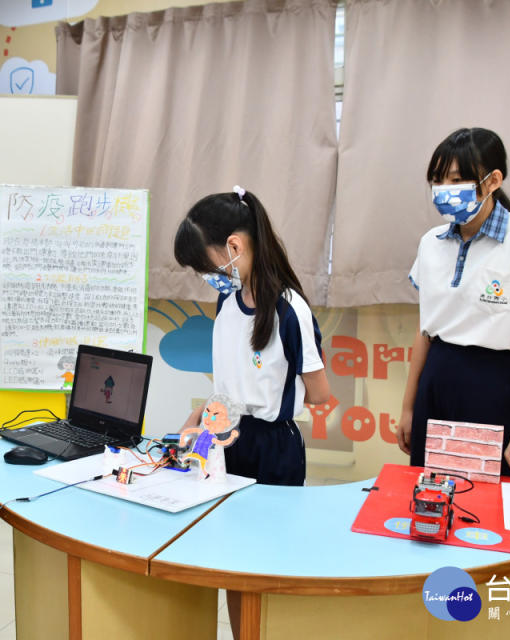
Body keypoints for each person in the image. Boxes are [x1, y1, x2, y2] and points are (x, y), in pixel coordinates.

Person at [174, 186, 330, 639]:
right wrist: (196, 425)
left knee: (263, 564)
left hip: (272, 448)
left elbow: (319, 393)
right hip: (221, 434)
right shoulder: (227, 300)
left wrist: (267, 387)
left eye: (205, 266)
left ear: (235, 248)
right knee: (227, 557)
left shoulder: (289, 310)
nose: (206, 277)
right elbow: (225, 387)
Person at [397, 127, 510, 485]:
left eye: (456, 179)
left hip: (491, 383)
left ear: (492, 181)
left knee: (482, 497)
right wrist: (409, 407)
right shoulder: (431, 243)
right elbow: (425, 330)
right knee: (429, 493)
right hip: (437, 377)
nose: (445, 189)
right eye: (438, 180)